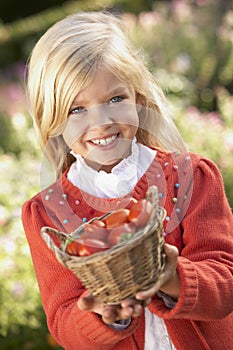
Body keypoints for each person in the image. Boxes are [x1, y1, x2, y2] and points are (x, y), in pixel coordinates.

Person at [22, 10, 233, 350]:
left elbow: (226, 282)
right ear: (53, 119)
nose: (101, 121)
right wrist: (102, 316)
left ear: (138, 98)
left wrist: (172, 277)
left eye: (115, 99)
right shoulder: (47, 215)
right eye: (77, 109)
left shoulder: (190, 178)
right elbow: (63, 322)